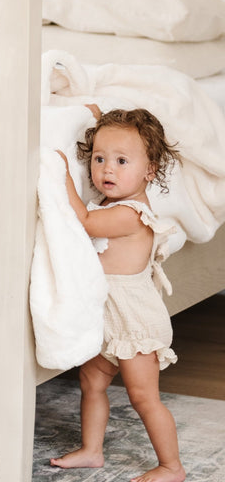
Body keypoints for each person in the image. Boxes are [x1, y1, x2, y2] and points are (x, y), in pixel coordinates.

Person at [52, 106, 185, 482]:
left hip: (134, 319)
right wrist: (91, 112)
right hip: (106, 314)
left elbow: (85, 221)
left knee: (143, 396)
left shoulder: (130, 213)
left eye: (121, 160)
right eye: (99, 158)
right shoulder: (112, 201)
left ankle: (171, 467)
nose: (107, 169)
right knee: (91, 383)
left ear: (150, 170)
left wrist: (60, 174)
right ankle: (92, 451)